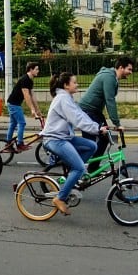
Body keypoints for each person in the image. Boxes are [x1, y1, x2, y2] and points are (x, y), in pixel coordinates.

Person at [40, 72, 108, 216]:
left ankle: (73, 175)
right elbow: (77, 119)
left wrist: (97, 127)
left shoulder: (68, 98)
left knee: (92, 146)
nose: (77, 85)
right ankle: (60, 198)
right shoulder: (63, 99)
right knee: (78, 168)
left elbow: (81, 115)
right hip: (55, 139)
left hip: (64, 137)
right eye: (74, 82)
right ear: (66, 85)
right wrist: (96, 129)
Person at [78, 57, 134, 172]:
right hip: (87, 112)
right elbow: (110, 101)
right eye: (129, 69)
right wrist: (117, 124)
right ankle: (75, 165)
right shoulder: (109, 78)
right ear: (121, 67)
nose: (130, 72)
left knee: (105, 138)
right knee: (90, 144)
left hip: (95, 112)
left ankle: (92, 167)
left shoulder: (112, 77)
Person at [6, 62, 42, 150]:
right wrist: (32, 110)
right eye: (36, 69)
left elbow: (32, 95)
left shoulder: (30, 80)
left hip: (14, 103)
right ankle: (20, 144)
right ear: (31, 69)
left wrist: (37, 110)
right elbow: (26, 96)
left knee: (13, 124)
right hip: (14, 104)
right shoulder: (25, 79)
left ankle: (8, 144)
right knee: (22, 123)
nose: (38, 71)